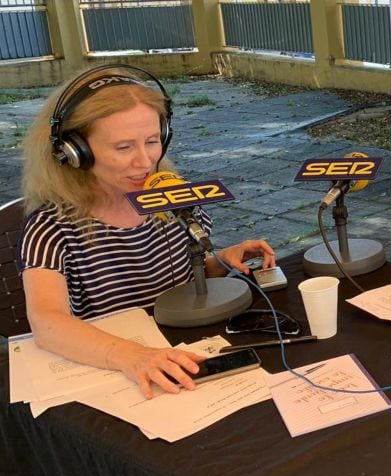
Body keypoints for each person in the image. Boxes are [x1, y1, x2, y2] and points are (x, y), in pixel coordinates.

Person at [18, 65, 276, 398]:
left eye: (152, 141)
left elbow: (188, 275)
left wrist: (222, 261)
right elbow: (47, 322)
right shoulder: (52, 227)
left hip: (186, 353)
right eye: (124, 148)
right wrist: (132, 356)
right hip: (124, 372)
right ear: (75, 151)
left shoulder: (171, 198)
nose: (144, 161)